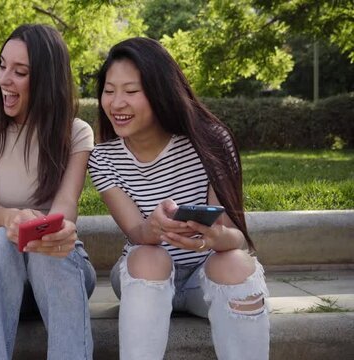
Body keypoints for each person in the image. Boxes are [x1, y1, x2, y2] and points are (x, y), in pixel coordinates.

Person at [88, 37, 270, 360]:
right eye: (109, 90)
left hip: (205, 275)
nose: (116, 103)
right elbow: (135, 232)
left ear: (161, 91)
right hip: (145, 274)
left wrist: (214, 236)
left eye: (131, 92)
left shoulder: (211, 141)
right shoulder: (103, 158)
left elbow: (235, 236)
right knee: (149, 255)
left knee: (236, 263)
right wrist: (154, 228)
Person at [0, 24, 96, 360]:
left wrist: (51, 228)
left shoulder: (76, 133)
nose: (5, 78)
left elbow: (66, 206)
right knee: (0, 240)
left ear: (48, 80)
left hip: (62, 269)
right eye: (3, 66)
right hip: (0, 281)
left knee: (45, 242)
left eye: (19, 72)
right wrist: (14, 219)